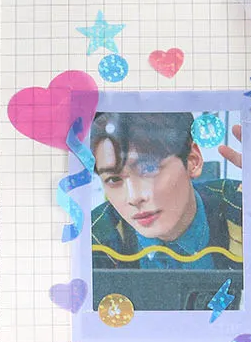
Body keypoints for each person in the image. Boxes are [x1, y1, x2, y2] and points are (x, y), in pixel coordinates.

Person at [90, 111, 242, 272]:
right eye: (114, 179)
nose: (134, 197)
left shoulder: (243, 207)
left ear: (193, 161)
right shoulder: (92, 240)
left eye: (149, 169)